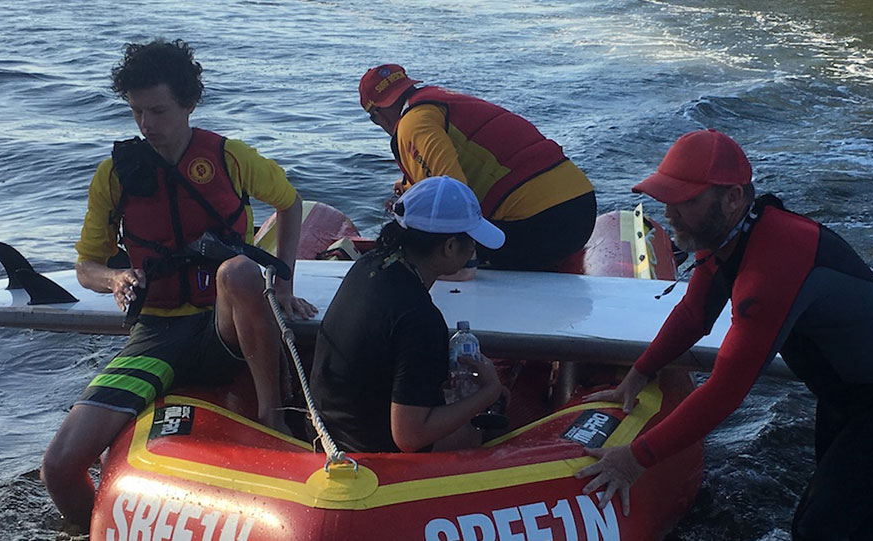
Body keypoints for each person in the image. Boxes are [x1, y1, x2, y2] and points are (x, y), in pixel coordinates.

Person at [574, 130, 873, 540]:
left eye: (687, 202)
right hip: (846, 395)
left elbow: (724, 393)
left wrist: (634, 459)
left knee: (819, 526)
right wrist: (638, 374)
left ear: (733, 198)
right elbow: (693, 314)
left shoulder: (769, 270)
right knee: (854, 521)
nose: (671, 214)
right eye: (667, 200)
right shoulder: (727, 238)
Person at [40, 39, 317, 529]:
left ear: (189, 103)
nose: (146, 124)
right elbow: (87, 266)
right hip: (157, 335)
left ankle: (272, 416)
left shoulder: (230, 158)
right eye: (136, 112)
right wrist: (115, 277)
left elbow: (289, 203)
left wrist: (283, 282)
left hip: (222, 325)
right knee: (58, 467)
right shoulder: (115, 175)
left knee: (238, 270)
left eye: (158, 110)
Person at [310, 176, 508, 453]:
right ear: (450, 247)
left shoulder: (370, 264)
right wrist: (490, 392)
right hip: (369, 452)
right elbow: (409, 437)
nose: (475, 249)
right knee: (474, 434)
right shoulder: (421, 317)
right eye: (472, 241)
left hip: (329, 429)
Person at [358, 63, 597, 272]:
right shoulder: (438, 100)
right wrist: (409, 191)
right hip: (580, 207)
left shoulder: (412, 124)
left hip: (540, 225)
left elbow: (451, 194)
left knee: (421, 249)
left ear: (378, 114)